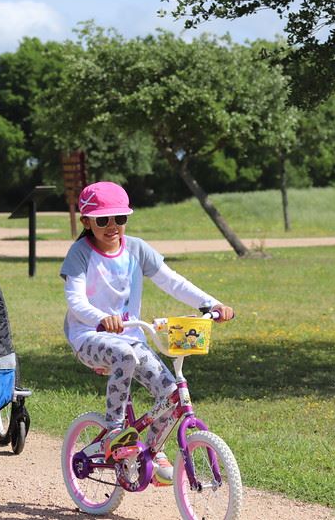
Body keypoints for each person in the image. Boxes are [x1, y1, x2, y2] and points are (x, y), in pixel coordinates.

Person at [59, 181, 235, 487]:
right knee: (124, 355)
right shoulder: (81, 253)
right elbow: (75, 300)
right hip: (89, 336)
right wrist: (102, 319)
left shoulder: (137, 249)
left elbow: (173, 282)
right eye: (103, 220)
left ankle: (152, 451)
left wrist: (211, 303)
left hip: (130, 336)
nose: (112, 226)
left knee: (171, 394)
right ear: (87, 222)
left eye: (120, 219)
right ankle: (114, 430)